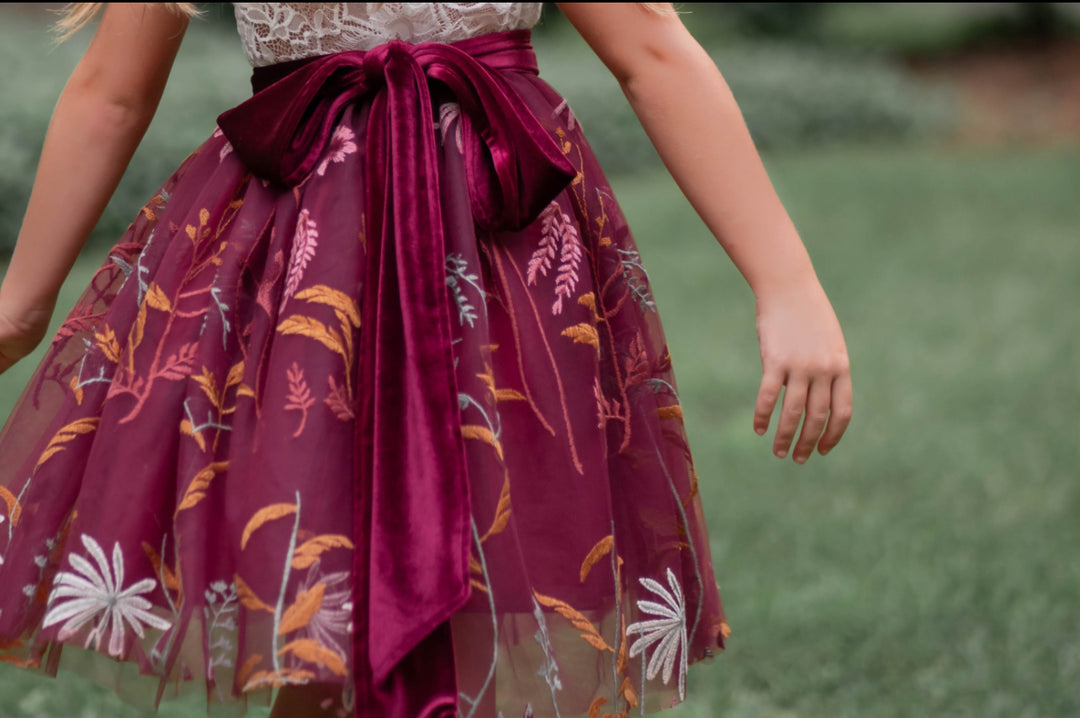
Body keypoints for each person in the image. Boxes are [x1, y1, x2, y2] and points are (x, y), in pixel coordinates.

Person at [0, 3, 852, 717]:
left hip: (495, 262)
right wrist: (19, 306)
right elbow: (113, 89)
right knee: (323, 612)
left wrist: (786, 280)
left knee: (510, 585)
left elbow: (651, 47)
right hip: (307, 274)